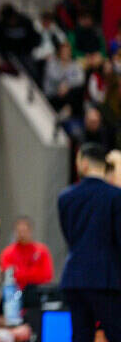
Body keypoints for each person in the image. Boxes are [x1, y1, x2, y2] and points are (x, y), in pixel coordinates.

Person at [58, 143, 121, 342]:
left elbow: (69, 236)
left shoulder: (65, 197)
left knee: (80, 335)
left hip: (74, 278)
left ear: (83, 163)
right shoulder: (115, 195)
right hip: (106, 280)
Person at [0, 216, 53, 290]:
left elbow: (46, 275)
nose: (22, 235)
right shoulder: (8, 253)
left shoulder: (42, 251)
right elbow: (8, 277)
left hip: (37, 291)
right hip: (15, 291)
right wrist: (33, 272)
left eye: (25, 231)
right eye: (19, 231)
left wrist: (20, 273)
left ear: (31, 231)